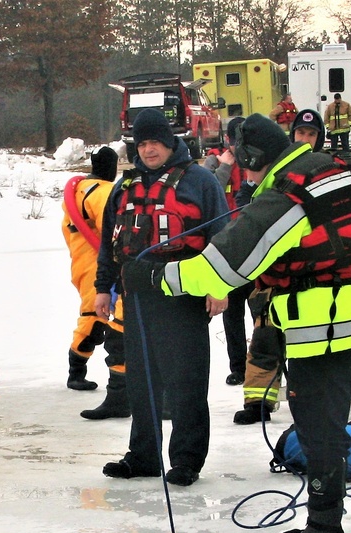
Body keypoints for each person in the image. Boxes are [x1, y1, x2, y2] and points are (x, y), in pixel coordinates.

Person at [125, 113, 351, 533]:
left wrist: (154, 278)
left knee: (322, 434)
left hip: (321, 334)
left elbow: (221, 270)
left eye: (242, 162)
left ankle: (324, 532)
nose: (243, 172)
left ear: (252, 157)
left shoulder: (282, 197)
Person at [96, 108, 229, 486]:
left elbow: (224, 239)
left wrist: (220, 288)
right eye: (143, 143)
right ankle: (143, 456)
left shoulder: (200, 181)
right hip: (137, 296)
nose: (150, 150)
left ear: (170, 142)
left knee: (186, 382)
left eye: (156, 142)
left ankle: (186, 460)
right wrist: (103, 288)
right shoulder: (124, 187)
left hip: (183, 295)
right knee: (142, 380)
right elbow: (110, 243)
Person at [233, 114, 326, 425]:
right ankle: (258, 400)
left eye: (311, 133)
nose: (305, 138)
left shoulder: (319, 176)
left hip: (310, 283)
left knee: (309, 350)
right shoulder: (261, 188)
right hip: (270, 281)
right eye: (300, 131)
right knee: (263, 341)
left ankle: (313, 403)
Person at [61, 146, 127, 412]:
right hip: (98, 266)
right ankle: (76, 370)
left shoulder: (77, 191)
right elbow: (114, 229)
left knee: (94, 315)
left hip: (82, 263)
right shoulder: (101, 193)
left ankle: (78, 370)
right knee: (94, 317)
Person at [204, 117, 250, 385]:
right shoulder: (214, 161)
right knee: (232, 313)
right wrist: (224, 166)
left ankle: (262, 367)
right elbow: (207, 192)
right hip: (227, 250)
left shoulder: (261, 162)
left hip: (255, 247)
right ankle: (238, 367)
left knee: (261, 314)